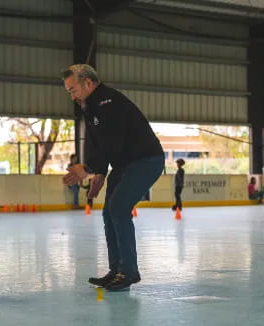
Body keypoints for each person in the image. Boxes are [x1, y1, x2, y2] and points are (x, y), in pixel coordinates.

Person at [61, 64, 164, 291]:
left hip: (145, 161)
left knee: (118, 207)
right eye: (68, 91)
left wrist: (87, 168)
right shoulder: (90, 105)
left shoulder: (108, 101)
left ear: (88, 82)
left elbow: (113, 141)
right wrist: (99, 173)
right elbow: (98, 144)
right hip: (124, 163)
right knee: (109, 211)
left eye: (73, 89)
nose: (71, 95)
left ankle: (128, 271)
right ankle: (117, 269)